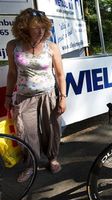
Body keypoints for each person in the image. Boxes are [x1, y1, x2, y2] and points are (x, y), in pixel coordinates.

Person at [4, 8, 66, 182]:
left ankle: (52, 158)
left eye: (43, 27)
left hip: (48, 95)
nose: (41, 31)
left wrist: (62, 97)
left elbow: (60, 74)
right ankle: (31, 164)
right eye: (36, 27)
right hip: (24, 97)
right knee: (25, 132)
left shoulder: (51, 47)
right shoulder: (13, 46)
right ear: (24, 28)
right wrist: (8, 97)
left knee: (51, 129)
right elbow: (12, 73)